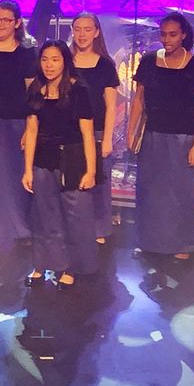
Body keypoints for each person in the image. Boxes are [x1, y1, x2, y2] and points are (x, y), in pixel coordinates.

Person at [129, 13, 194, 260]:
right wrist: (131, 134)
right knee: (150, 191)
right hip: (154, 136)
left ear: (184, 35)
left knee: (182, 193)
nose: (166, 39)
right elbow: (139, 101)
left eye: (172, 34)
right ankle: (149, 241)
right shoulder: (148, 62)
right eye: (163, 34)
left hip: (184, 138)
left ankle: (181, 245)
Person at [22, 41, 97, 286]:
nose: (49, 65)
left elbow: (87, 133)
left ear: (64, 61)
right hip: (44, 159)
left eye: (55, 59)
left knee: (73, 216)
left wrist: (91, 170)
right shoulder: (36, 89)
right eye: (45, 59)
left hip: (72, 159)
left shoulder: (78, 91)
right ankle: (43, 263)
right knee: (44, 215)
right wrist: (27, 169)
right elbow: (31, 131)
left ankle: (70, 267)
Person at [0, 0, 37, 253]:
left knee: (12, 176)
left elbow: (31, 90)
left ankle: (17, 228)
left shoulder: (25, 52)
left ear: (17, 23)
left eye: (5, 19)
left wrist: (29, 126)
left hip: (14, 121)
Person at [70, 13, 120, 244]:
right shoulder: (64, 61)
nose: (82, 34)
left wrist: (108, 138)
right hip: (69, 132)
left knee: (99, 182)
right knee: (71, 180)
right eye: (77, 29)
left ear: (97, 32)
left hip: (98, 131)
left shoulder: (105, 65)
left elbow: (111, 106)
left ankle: (99, 230)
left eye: (87, 29)